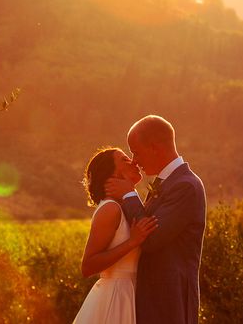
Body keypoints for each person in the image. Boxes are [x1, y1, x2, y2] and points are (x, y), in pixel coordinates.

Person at [105, 115, 207, 324]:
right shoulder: (167, 183)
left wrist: (129, 195)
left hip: (170, 304)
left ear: (154, 148)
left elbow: (151, 239)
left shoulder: (185, 186)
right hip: (154, 303)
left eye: (135, 151)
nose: (134, 160)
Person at [73, 147, 159, 324]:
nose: (134, 162)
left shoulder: (126, 206)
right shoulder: (110, 209)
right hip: (115, 297)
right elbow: (87, 266)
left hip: (132, 293)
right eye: (125, 160)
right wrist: (132, 242)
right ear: (111, 174)